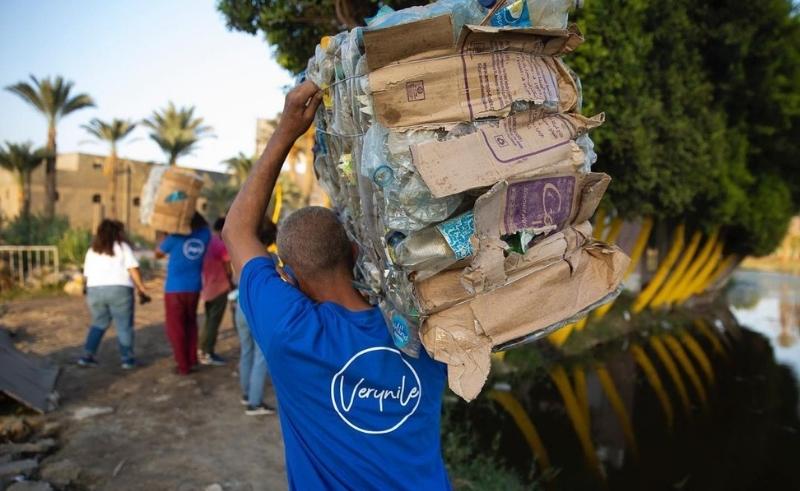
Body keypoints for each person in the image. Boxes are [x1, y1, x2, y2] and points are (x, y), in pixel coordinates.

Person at [223, 81, 450, 490]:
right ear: (354, 251)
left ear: (289, 279)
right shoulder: (426, 321)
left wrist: (287, 129)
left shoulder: (288, 332)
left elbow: (237, 231)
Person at [78, 219, 149, 369]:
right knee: (124, 326)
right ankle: (127, 360)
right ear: (117, 233)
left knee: (98, 323)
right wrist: (141, 287)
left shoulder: (92, 250)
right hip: (120, 290)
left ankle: (87, 356)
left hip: (95, 290)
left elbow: (86, 274)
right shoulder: (122, 247)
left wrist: (85, 289)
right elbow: (133, 269)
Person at [155, 212, 211, 375]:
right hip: (194, 287)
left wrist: (164, 233)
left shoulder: (175, 237)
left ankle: (183, 366)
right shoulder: (205, 234)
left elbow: (158, 253)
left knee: (176, 328)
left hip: (174, 289)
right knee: (190, 324)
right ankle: (192, 360)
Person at [233, 220, 277, 416]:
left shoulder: (240, 258)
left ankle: (245, 393)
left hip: (241, 308)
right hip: (258, 311)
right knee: (261, 357)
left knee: (246, 351)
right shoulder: (270, 259)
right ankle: (254, 402)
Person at [199, 216, 232, 366]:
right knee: (213, 322)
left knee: (208, 320)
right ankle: (207, 352)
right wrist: (231, 281)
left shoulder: (206, 242)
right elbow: (228, 264)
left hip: (206, 288)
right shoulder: (220, 244)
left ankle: (202, 349)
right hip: (220, 287)